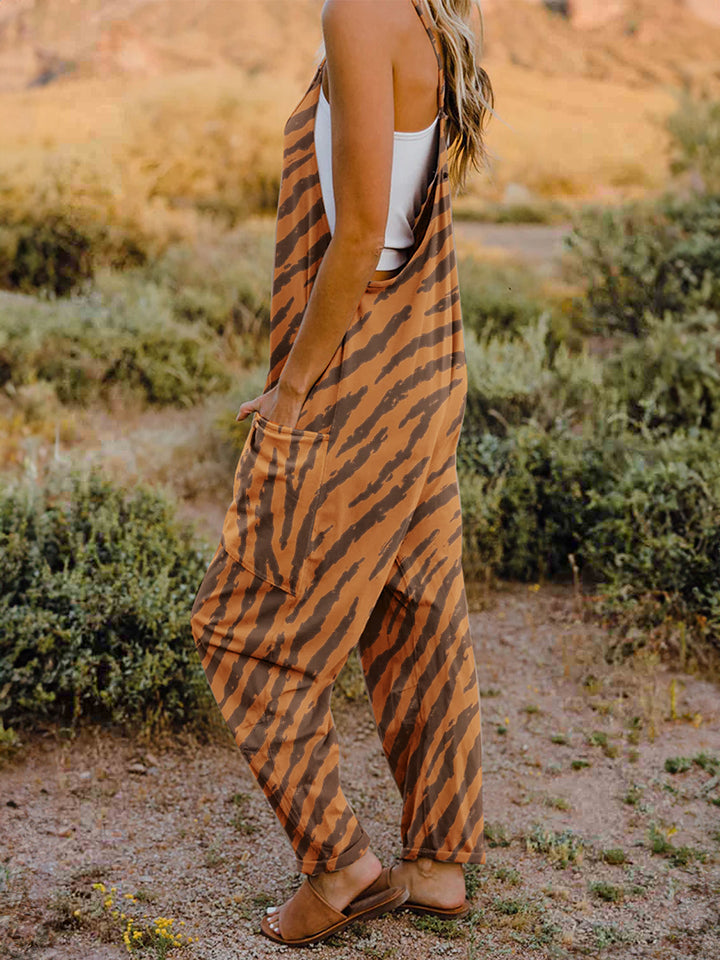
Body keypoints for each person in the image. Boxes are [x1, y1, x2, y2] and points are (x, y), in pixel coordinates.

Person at [191, 0, 495, 947]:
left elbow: (363, 231)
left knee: (242, 632)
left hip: (359, 378)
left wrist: (290, 394)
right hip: (422, 362)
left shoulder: (358, 11)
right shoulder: (434, 9)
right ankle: (439, 866)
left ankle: (342, 868)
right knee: (418, 618)